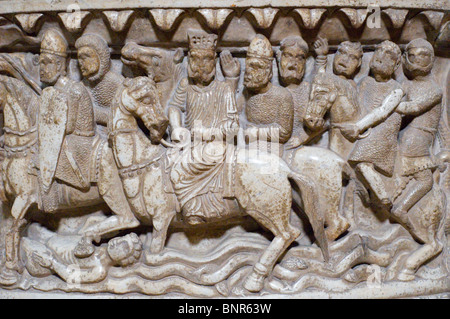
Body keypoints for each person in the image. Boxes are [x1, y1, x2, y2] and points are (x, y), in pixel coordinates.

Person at [167, 30, 239, 225]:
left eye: (206, 59)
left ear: (214, 61)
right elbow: (174, 107)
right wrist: (176, 128)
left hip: (216, 145)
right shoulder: (186, 85)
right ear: (189, 59)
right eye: (196, 59)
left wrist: (208, 133)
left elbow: (233, 127)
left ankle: (197, 209)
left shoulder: (223, 89)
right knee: (163, 163)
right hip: (189, 142)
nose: (201, 64)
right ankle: (166, 209)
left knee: (185, 166)